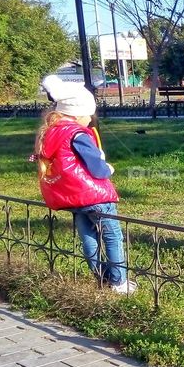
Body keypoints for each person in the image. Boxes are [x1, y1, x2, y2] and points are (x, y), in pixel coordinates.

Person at [33, 75, 134, 294]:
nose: (90, 119)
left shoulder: (52, 131)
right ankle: (118, 283)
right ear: (77, 114)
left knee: (88, 237)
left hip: (73, 198)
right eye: (88, 114)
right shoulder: (78, 134)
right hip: (94, 196)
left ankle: (100, 277)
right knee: (111, 235)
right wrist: (108, 169)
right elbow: (96, 167)